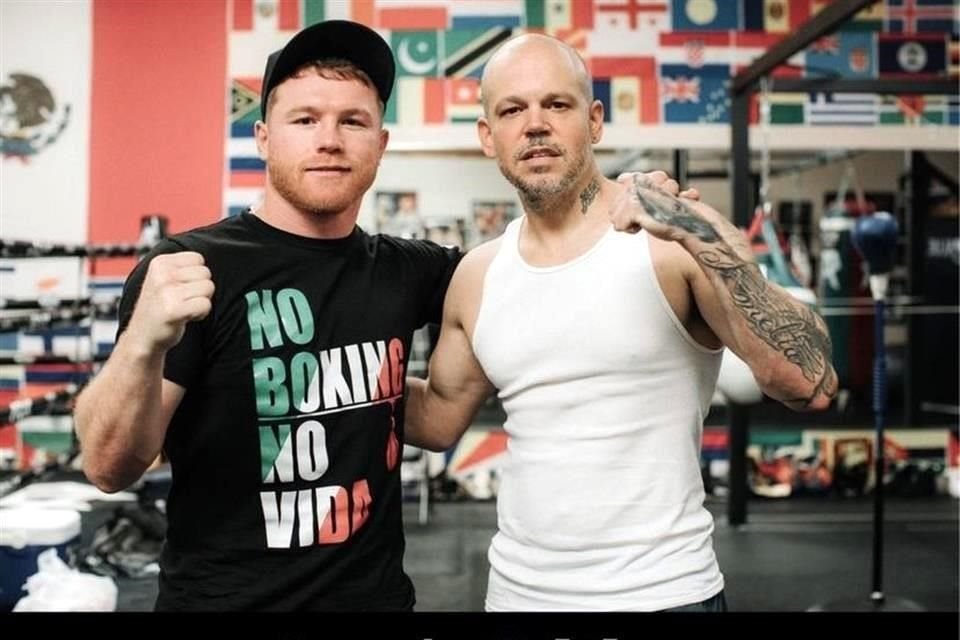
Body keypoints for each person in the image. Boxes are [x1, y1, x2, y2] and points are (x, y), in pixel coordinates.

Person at [404, 33, 838, 612]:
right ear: (489, 136)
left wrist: (703, 232)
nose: (535, 125)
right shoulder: (479, 275)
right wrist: (322, 372)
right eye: (512, 110)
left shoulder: (669, 246)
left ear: (595, 120)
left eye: (556, 105)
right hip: (519, 597)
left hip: (665, 594)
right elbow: (436, 419)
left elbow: (808, 382)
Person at [73, 20, 463, 611]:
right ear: (262, 137)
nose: (328, 139)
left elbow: (528, 266)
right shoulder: (190, 266)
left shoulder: (407, 270)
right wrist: (140, 347)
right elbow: (108, 467)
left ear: (380, 145)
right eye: (304, 119)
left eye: (352, 121)